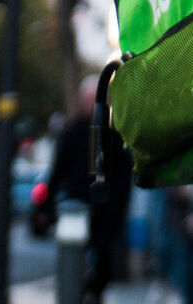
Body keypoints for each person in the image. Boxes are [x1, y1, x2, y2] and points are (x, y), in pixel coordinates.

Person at [48, 75, 134, 301]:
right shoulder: (72, 133)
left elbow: (124, 177)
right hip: (79, 210)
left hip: (105, 214)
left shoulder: (114, 135)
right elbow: (58, 171)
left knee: (100, 268)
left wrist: (117, 209)